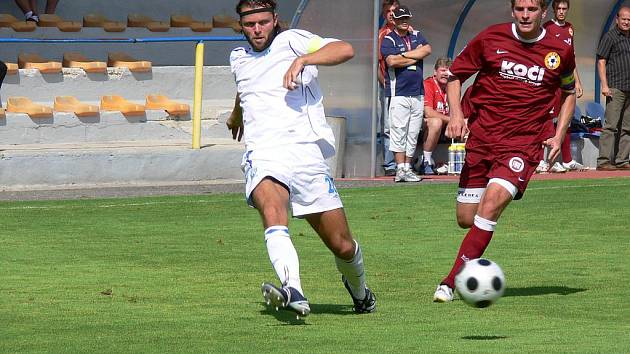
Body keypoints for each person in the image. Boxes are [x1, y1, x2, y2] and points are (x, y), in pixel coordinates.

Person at [226, 0, 376, 317]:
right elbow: (246, 86)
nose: (257, 30)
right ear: (240, 24)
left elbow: (345, 49)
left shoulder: (292, 40)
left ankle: (361, 293)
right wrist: (236, 115)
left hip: (305, 152)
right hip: (264, 152)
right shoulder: (238, 58)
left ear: (274, 20)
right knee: (272, 209)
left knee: (343, 245)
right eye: (250, 24)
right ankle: (293, 288)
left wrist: (303, 60)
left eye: (263, 23)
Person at [433, 0, 576, 302]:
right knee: (465, 218)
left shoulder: (560, 49)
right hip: (482, 139)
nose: (526, 15)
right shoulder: (490, 38)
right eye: (520, 9)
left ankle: (450, 281)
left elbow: (568, 92)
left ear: (543, 12)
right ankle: (476, 244)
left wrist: (558, 133)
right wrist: (457, 115)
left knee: (490, 206)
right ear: (512, 11)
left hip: (522, 144)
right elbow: (455, 75)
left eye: (532, 9)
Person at [381, 5, 431, 182]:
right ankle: (399, 168)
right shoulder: (389, 39)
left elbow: (427, 50)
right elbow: (391, 61)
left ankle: (407, 168)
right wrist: (414, 56)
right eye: (400, 18)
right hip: (398, 93)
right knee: (398, 130)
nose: (404, 21)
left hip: (417, 92)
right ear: (393, 20)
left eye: (406, 18)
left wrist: (403, 55)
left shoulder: (416, 35)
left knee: (413, 131)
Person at [536, 0, 584, 173]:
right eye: (559, 8)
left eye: (564, 9)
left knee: (566, 118)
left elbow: (572, 57)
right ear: (554, 10)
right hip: (550, 82)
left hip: (565, 81)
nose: (562, 11)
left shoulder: (570, 28)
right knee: (547, 120)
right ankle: (542, 160)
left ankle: (567, 160)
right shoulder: (547, 27)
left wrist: (577, 81)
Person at [596, 6, 630, 171]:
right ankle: (603, 161)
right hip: (615, 87)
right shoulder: (609, 37)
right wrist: (604, 85)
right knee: (611, 126)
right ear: (617, 19)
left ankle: (622, 160)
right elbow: (601, 61)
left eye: (629, 20)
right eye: (624, 19)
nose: (626, 22)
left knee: (627, 127)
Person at [377, 0, 402, 176]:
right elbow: (377, 65)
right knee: (388, 126)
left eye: (395, 10)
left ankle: (405, 163)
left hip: (408, 86)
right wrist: (386, 85)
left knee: (406, 126)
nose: (392, 14)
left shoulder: (410, 32)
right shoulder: (382, 34)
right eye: (388, 11)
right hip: (389, 86)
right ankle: (390, 164)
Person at [421, 57, 453, 175]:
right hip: (424, 126)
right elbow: (428, 112)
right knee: (436, 122)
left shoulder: (452, 86)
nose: (445, 74)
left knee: (468, 124)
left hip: (445, 126)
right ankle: (426, 160)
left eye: (448, 71)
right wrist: (452, 120)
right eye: (443, 70)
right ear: (435, 72)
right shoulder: (428, 84)